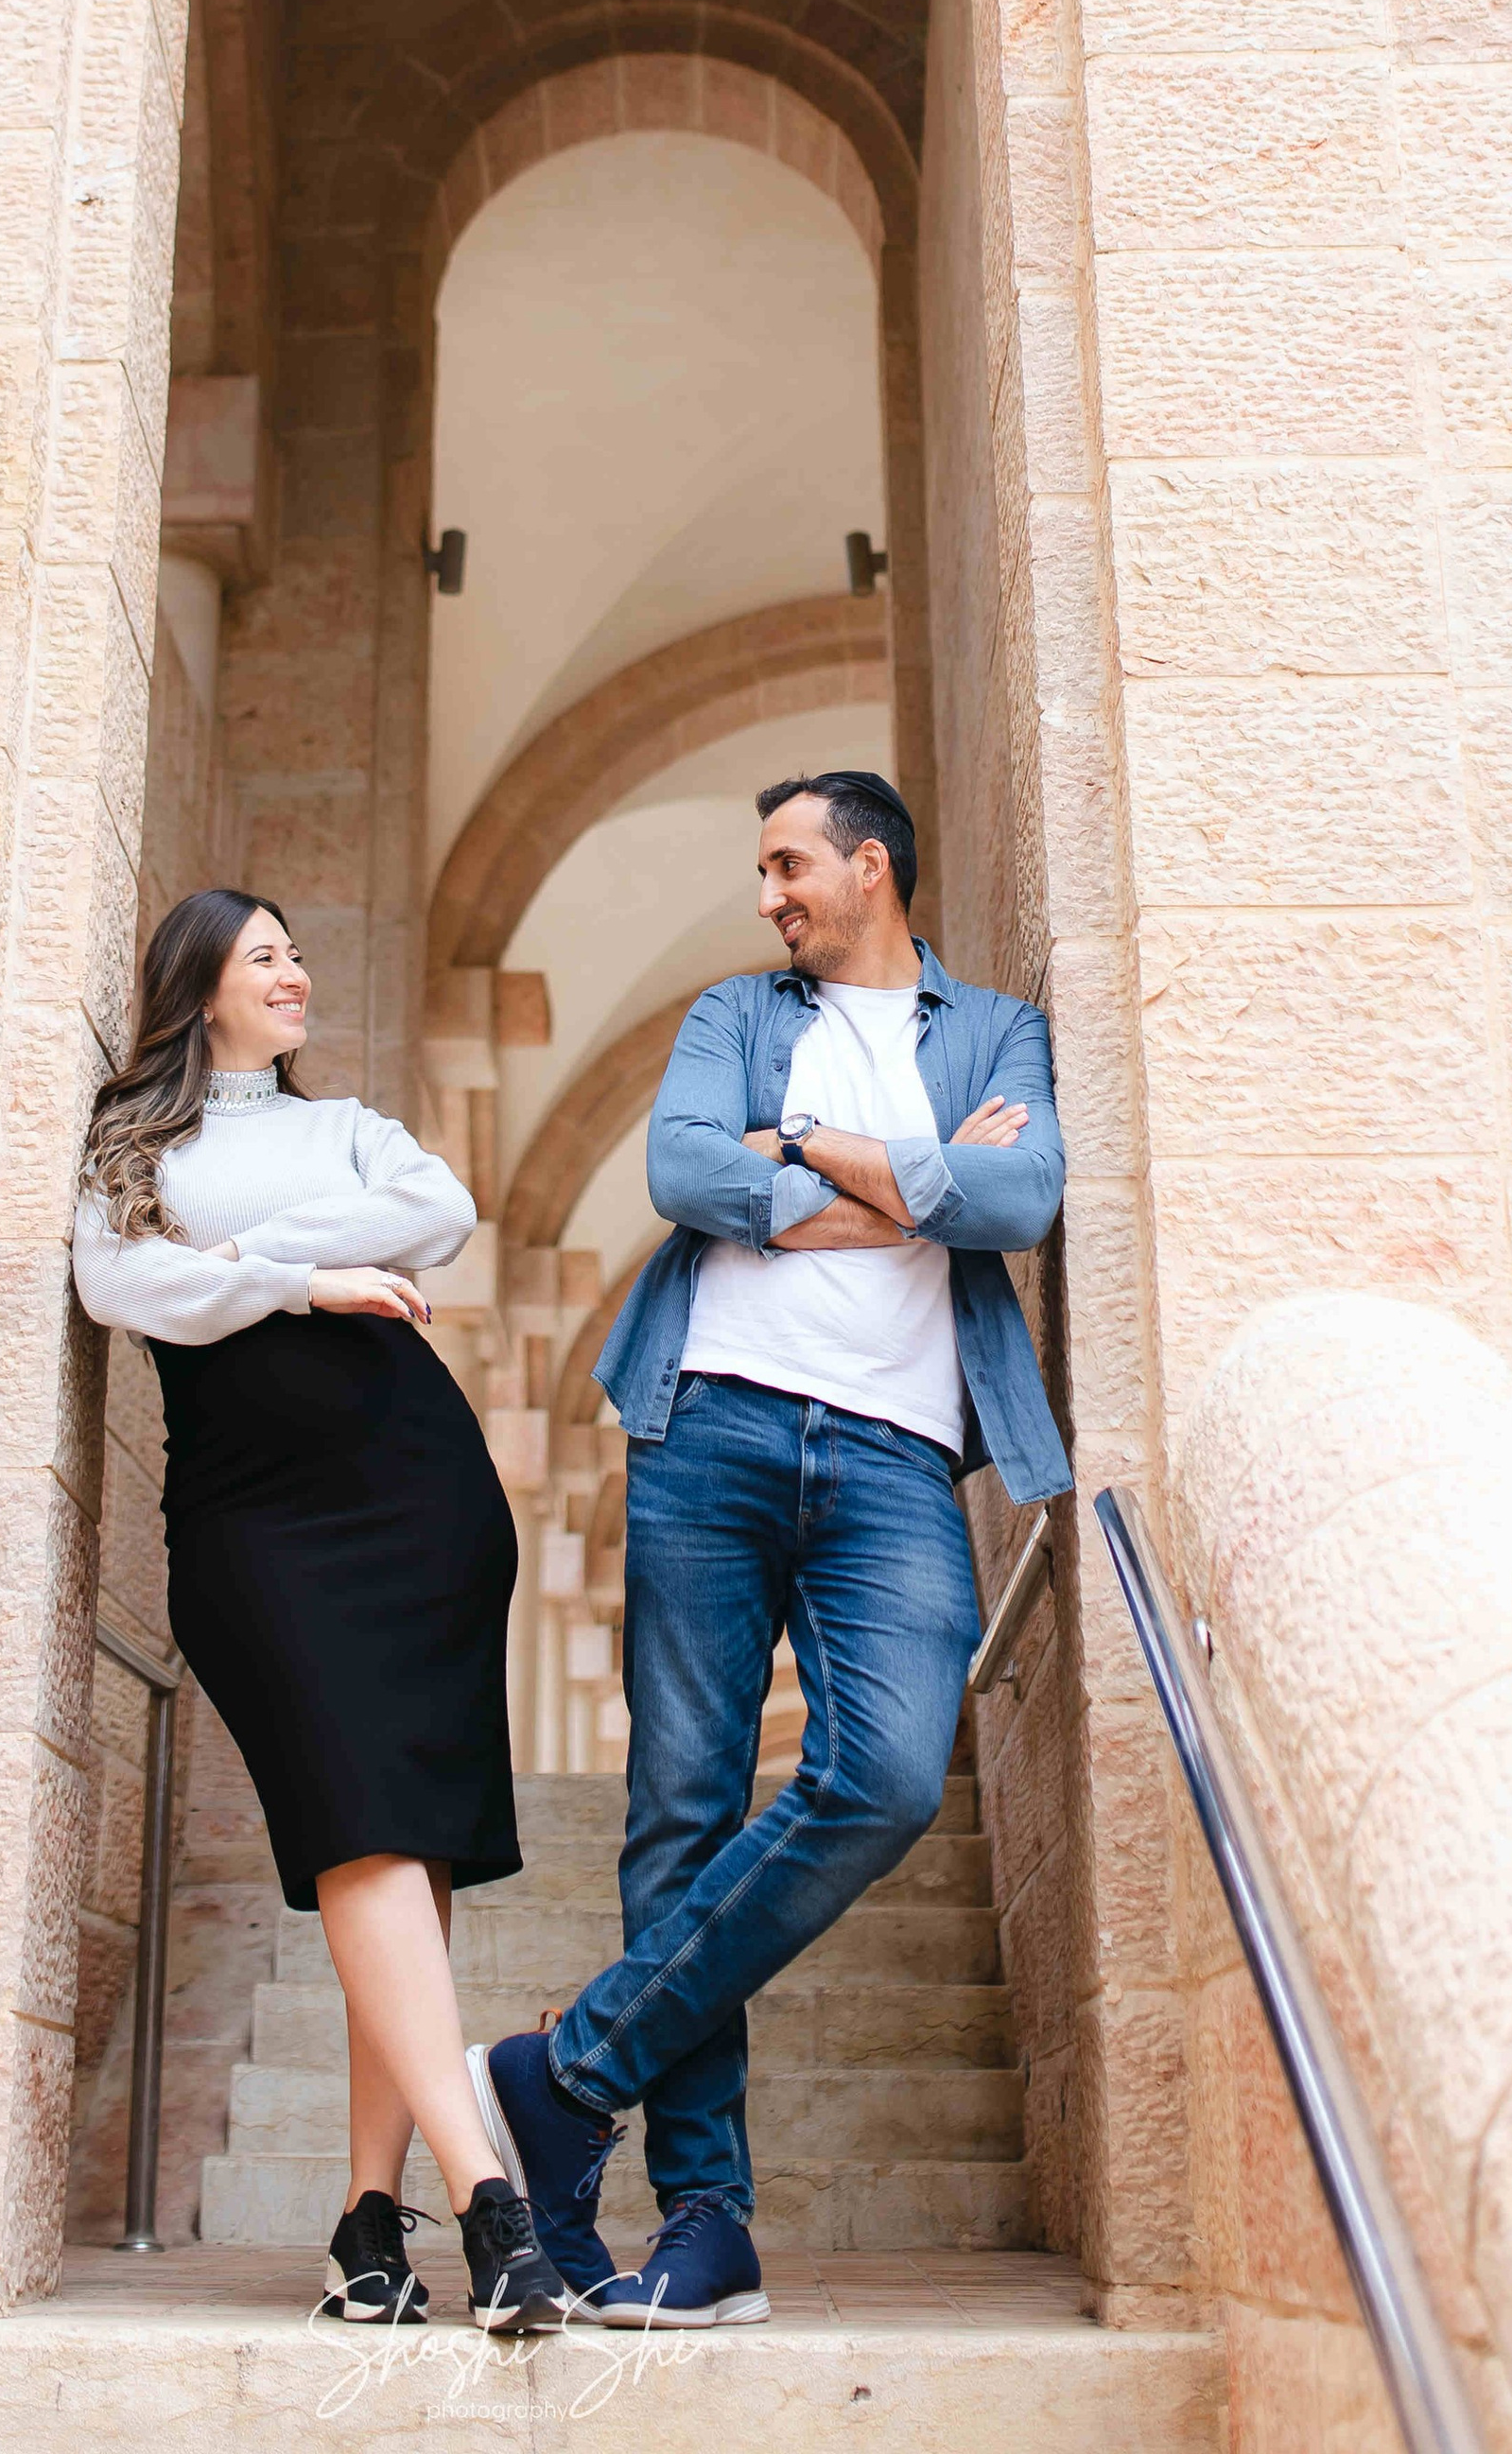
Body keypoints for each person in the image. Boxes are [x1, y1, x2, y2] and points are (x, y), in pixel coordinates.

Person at [465, 771, 1072, 2324]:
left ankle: (570, 2067)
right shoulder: (733, 1012)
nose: (770, 895)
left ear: (872, 868)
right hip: (711, 1427)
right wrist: (907, 1187)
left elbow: (1022, 1193)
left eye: (791, 864)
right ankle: (705, 2225)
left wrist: (798, 1146)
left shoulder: (996, 1031)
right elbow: (685, 1171)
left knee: (879, 1775)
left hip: (894, 1455)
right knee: (679, 1813)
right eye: (763, 871)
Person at [72, 885, 570, 2334]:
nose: (294, 972)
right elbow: (117, 1280)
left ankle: (369, 2219)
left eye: (298, 952)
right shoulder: (132, 1139)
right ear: (200, 984)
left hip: (416, 1496)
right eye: (265, 955)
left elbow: (441, 1212)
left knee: (400, 1852)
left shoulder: (347, 1124)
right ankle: (492, 2198)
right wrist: (305, 1276)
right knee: (355, 1820)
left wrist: (232, 1264)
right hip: (251, 1523)